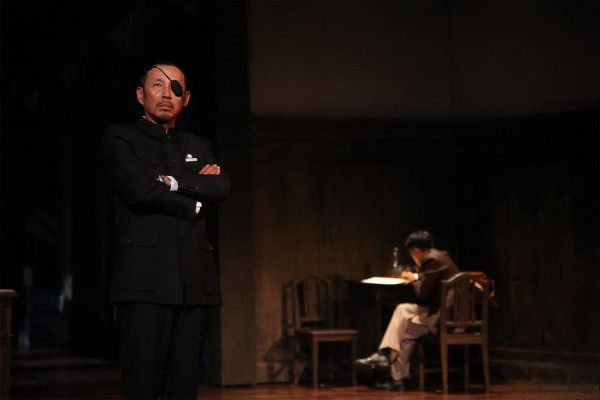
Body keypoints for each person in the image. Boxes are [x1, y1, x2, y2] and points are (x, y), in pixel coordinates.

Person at [103, 62, 231, 399]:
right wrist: (193, 198)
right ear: (140, 94)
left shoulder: (197, 144)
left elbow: (221, 186)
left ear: (185, 99)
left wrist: (171, 182)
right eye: (157, 85)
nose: (166, 94)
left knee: (184, 387)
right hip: (144, 280)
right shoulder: (121, 137)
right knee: (142, 385)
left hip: (193, 281)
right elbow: (138, 189)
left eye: (175, 88)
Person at [356, 230, 459, 392]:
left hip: (446, 318)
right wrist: (417, 278)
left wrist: (413, 280)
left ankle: (395, 374)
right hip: (448, 313)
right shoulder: (441, 256)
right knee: (402, 310)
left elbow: (423, 294)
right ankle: (384, 355)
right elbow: (430, 281)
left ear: (415, 250)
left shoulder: (432, 260)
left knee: (404, 331)